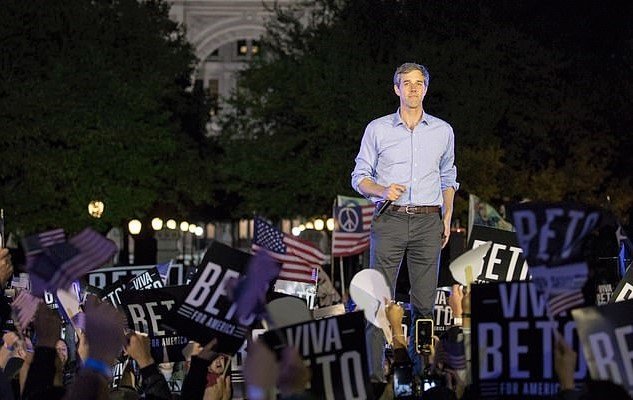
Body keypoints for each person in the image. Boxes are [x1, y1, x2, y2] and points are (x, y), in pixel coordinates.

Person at [351, 62, 459, 382]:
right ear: (396, 88)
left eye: (418, 82)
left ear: (425, 88)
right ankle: (375, 377)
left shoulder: (443, 130)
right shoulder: (378, 129)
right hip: (390, 219)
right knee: (379, 300)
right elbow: (359, 177)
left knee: (424, 305)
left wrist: (449, 212)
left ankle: (419, 372)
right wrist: (383, 190)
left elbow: (448, 176)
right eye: (406, 82)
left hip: (429, 221)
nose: (412, 88)